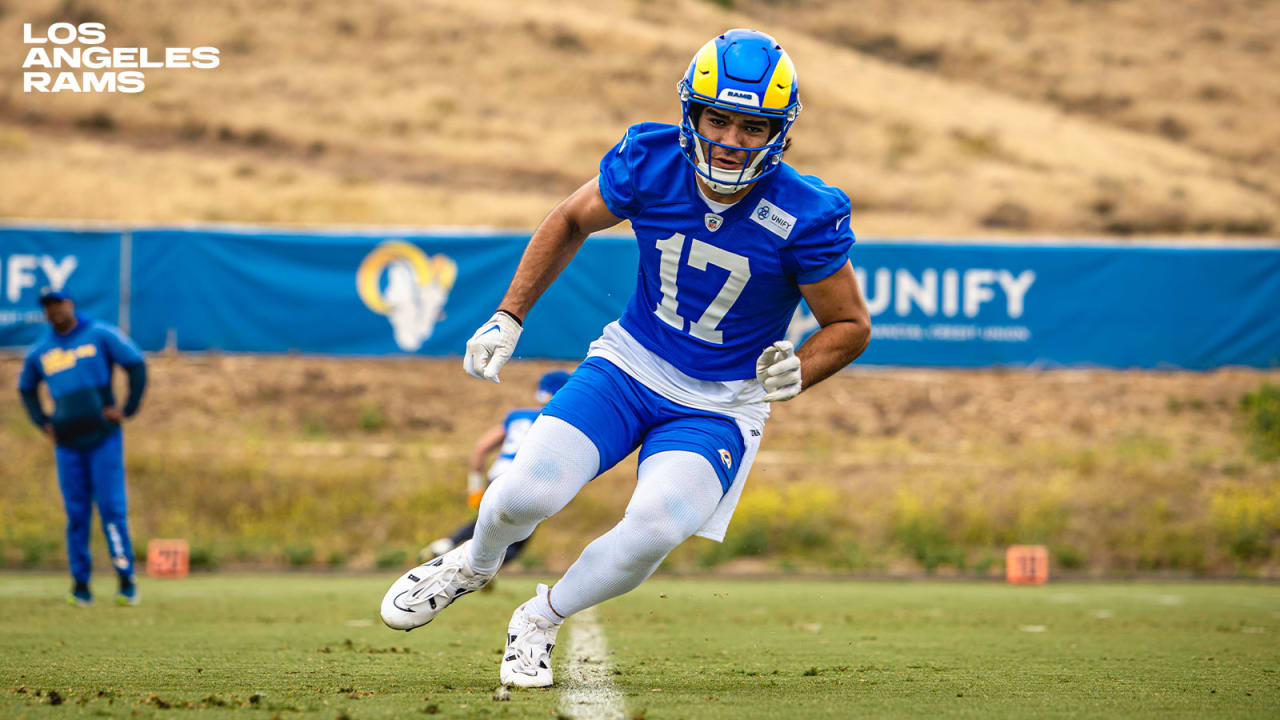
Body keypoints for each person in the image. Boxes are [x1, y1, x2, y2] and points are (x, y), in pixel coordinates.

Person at [381, 28, 871, 688]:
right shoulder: (650, 159)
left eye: (752, 126)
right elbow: (569, 219)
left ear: (781, 132)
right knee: (522, 494)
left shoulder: (807, 211)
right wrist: (509, 313)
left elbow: (848, 324)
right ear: (690, 115)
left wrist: (800, 371)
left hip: (721, 401)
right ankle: (472, 564)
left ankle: (539, 619)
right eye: (718, 118)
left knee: (655, 527)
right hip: (631, 364)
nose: (730, 140)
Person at [18, 288, 148, 607]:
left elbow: (136, 364)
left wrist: (127, 409)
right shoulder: (41, 351)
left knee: (111, 510)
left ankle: (125, 579)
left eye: (58, 304)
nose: (54, 311)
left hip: (103, 437)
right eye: (48, 307)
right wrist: (43, 422)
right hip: (67, 444)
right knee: (76, 515)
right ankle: (80, 584)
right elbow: (26, 389)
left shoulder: (99, 334)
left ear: (70, 304)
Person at [419, 370, 572, 565]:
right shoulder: (558, 421)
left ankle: (448, 545)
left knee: (488, 527)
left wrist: (475, 488)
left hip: (498, 475)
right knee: (515, 542)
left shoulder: (516, 416)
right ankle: (468, 568)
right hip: (527, 479)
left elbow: (481, 448)